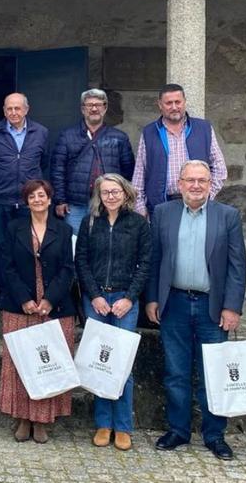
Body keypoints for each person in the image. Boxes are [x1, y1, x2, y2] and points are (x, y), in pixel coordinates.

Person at [146, 160, 246, 461]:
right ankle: (178, 430)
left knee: (213, 374)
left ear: (210, 184)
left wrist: (232, 307)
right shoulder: (163, 213)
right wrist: (152, 299)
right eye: (190, 180)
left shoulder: (227, 216)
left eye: (202, 180)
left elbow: (237, 267)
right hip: (173, 303)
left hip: (211, 306)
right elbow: (154, 261)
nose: (196, 186)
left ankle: (215, 435)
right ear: (180, 183)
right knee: (176, 372)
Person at [74, 173, 151, 451]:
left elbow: (145, 263)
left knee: (122, 364)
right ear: (99, 195)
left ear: (126, 193)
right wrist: (94, 295)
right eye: (106, 192)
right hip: (96, 300)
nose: (111, 196)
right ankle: (103, 424)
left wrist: (129, 298)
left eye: (116, 191)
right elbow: (80, 260)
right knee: (99, 362)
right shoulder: (89, 222)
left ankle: (123, 426)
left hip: (124, 301)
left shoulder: (139, 224)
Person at [0, 179, 75, 444]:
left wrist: (50, 299)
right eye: (32, 197)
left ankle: (42, 420)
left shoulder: (63, 230)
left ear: (50, 200)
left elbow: (67, 269)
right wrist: (24, 299)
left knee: (46, 362)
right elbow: (6, 267)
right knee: (20, 362)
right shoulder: (13, 228)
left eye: (42, 196)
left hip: (54, 306)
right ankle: (22, 418)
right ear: (26, 202)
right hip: (21, 306)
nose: (37, 200)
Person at [0, 92, 48, 303]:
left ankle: (26, 295)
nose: (13, 112)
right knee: (1, 248)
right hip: (0, 200)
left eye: (18, 108)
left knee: (29, 248)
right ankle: (2, 294)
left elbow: (44, 162)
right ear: (4, 111)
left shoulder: (41, 132)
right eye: (9, 108)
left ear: (26, 110)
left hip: (30, 201)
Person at [131, 83, 227, 217]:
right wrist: (140, 208)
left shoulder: (203, 129)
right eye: (169, 103)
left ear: (184, 102)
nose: (174, 107)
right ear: (160, 105)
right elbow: (139, 174)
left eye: (178, 102)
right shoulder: (149, 133)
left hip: (198, 206)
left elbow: (220, 168)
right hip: (161, 207)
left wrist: (205, 195)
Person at [51, 88, 134, 234]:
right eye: (89, 105)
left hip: (109, 203)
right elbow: (57, 170)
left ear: (105, 108)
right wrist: (60, 200)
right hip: (76, 205)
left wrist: (124, 200)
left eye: (98, 105)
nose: (94, 108)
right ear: (83, 109)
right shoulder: (67, 136)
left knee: (105, 245)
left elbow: (128, 171)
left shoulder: (119, 137)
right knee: (76, 246)